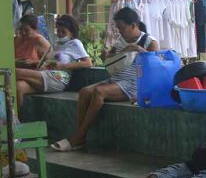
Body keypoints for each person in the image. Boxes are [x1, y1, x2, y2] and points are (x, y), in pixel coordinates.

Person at [50, 8, 158, 152]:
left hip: (134, 84)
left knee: (99, 93)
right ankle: (80, 136)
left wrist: (138, 49)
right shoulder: (120, 41)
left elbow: (156, 66)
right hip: (116, 80)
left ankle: (78, 137)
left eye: (122, 28)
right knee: (84, 92)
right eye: (118, 29)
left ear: (133, 25)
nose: (120, 32)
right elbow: (110, 61)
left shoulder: (150, 42)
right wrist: (105, 55)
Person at [15, 15, 92, 108]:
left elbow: (88, 63)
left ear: (72, 32)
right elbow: (50, 62)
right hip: (46, 74)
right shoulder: (56, 44)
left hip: (59, 78)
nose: (60, 34)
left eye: (63, 31)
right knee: (18, 86)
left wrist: (63, 66)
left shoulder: (75, 43)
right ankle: (15, 119)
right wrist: (36, 63)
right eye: (58, 31)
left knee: (14, 72)